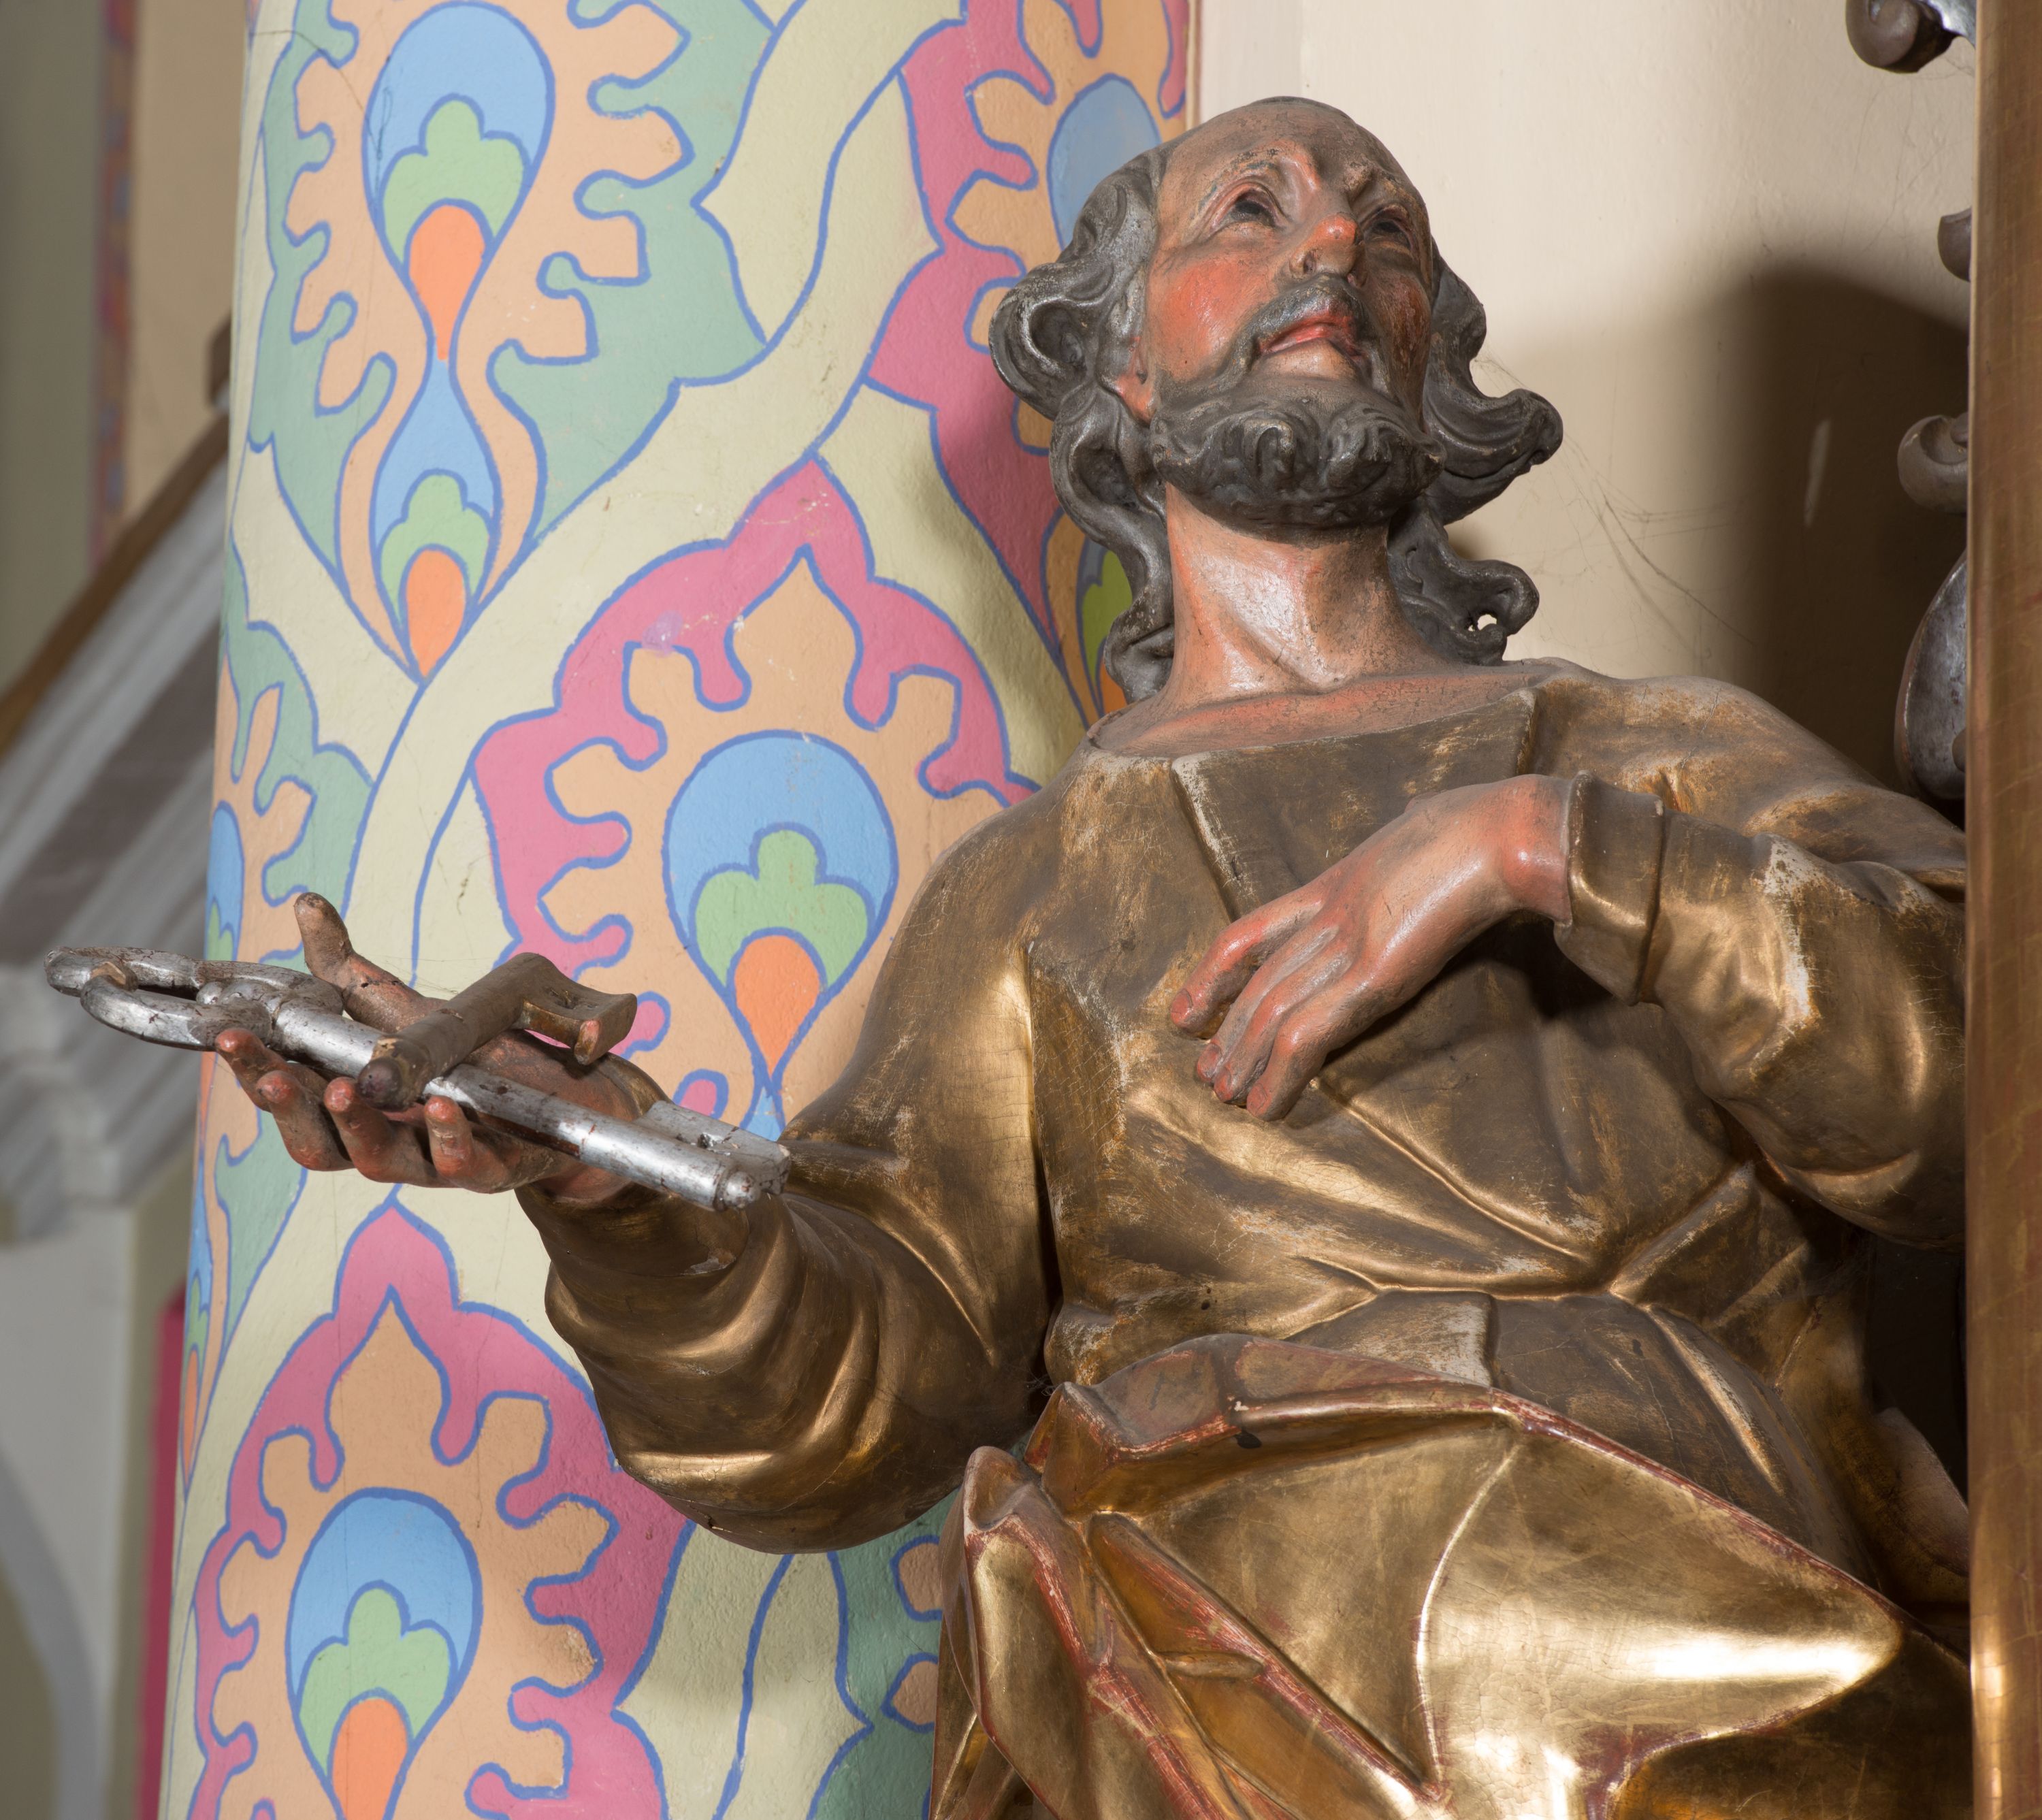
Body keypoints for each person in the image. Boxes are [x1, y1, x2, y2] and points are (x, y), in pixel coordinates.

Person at [219, 99, 1971, 1819]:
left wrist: (1546, 845)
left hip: (1687, 1647)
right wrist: (609, 1170)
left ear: (1432, 361)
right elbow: (858, 1386)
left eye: (1387, 226)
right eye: (1251, 211)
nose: (1334, 242)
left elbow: (1988, 1079)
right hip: (1193, 1695)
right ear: (1122, 367)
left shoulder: (1652, 753)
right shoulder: (1032, 888)